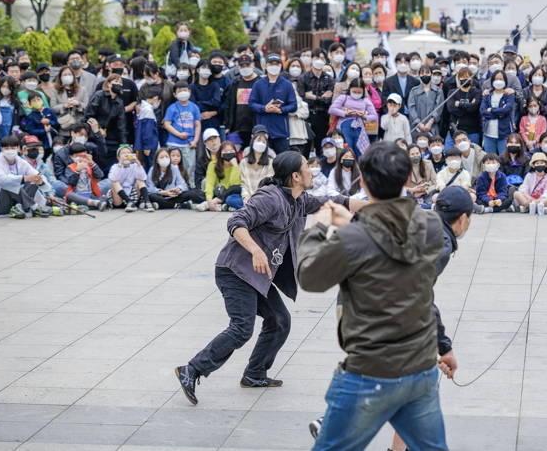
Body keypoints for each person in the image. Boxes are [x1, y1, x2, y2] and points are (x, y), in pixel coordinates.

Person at [175, 152, 364, 404]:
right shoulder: (270, 197)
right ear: (296, 176)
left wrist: (380, 204)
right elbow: (236, 220)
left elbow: (333, 201)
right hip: (236, 271)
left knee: (279, 320)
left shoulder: (299, 199)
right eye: (307, 166)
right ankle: (192, 369)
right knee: (242, 328)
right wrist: (255, 251)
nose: (312, 170)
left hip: (258, 276)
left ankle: (254, 373)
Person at [297, 142, 448, 451]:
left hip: (371, 371)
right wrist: (355, 223)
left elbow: (309, 277)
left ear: (362, 182)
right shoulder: (431, 225)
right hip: (420, 368)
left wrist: (319, 228)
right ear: (407, 181)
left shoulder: (353, 239)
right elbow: (393, 234)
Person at [0, 135, 51, 218]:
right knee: (9, 183)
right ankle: (34, 207)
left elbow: (35, 173)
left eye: (13, 148)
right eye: (7, 148)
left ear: (18, 148)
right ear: (1, 149)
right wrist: (24, 178)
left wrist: (40, 181)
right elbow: (2, 180)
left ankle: (19, 206)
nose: (10, 151)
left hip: (15, 201)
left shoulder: (21, 162)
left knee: (33, 180)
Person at [248, 54, 297, 155]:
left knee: (283, 162)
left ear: (281, 66)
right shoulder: (258, 84)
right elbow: (251, 104)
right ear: (266, 66)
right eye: (271, 64)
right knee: (264, 160)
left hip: (281, 132)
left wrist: (280, 110)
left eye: (276, 64)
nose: (274, 66)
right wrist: (264, 108)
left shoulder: (287, 84)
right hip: (263, 133)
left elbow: (293, 105)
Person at [164, 81, 202, 180]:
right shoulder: (171, 108)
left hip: (189, 144)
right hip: (174, 143)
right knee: (173, 167)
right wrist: (179, 134)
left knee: (190, 167)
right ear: (174, 95)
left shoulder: (194, 107)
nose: (182, 92)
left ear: (189, 92)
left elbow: (197, 125)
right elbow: (167, 124)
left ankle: (189, 188)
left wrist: (195, 141)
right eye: (179, 91)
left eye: (184, 90)